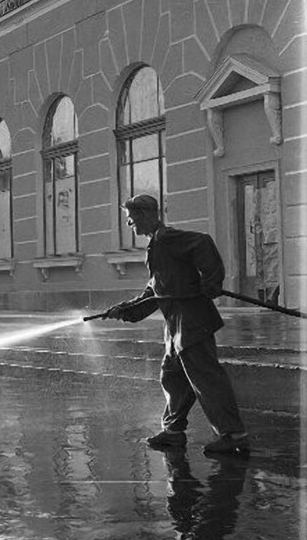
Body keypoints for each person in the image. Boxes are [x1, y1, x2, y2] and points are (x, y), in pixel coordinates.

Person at [105, 194, 249, 454]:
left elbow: (203, 243)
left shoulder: (168, 239)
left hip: (192, 321)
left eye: (131, 218)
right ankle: (173, 431)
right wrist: (126, 310)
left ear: (146, 215)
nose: (129, 224)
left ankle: (234, 434)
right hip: (175, 325)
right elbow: (156, 292)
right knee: (172, 378)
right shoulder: (156, 246)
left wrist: (211, 282)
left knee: (206, 379)